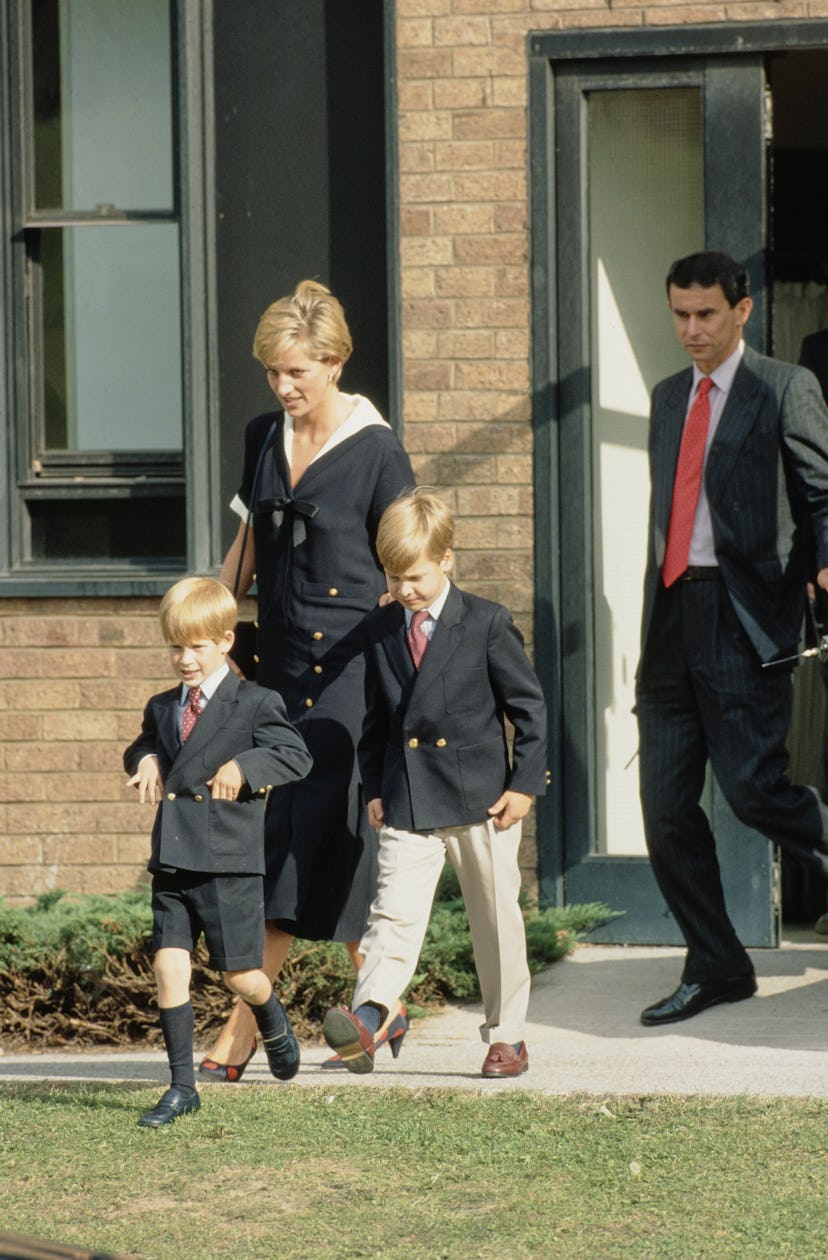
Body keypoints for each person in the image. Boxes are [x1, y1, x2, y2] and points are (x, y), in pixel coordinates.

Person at [199, 280, 414, 1079]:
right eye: (272, 374)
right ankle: (382, 1010)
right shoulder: (264, 435)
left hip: (351, 672)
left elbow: (404, 561)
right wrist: (213, 632)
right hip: (278, 669)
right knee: (328, 841)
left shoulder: (378, 448)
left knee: (296, 834)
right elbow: (248, 546)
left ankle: (246, 1028)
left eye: (297, 373)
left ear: (335, 362)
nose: (284, 388)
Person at [636, 250, 828, 1028]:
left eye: (706, 314)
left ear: (740, 311)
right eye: (680, 314)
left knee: (753, 791)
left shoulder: (786, 388)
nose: (692, 330)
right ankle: (717, 962)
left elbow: (823, 491)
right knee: (664, 807)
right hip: (674, 612)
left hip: (746, 613)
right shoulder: (664, 397)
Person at [321, 489, 549, 1078]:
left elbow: (529, 710)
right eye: (394, 578)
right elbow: (374, 719)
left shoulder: (487, 622)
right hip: (406, 797)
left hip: (483, 802)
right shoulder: (380, 627)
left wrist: (524, 784)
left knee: (495, 921)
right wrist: (374, 786)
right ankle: (370, 1016)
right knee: (391, 914)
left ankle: (508, 1037)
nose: (405, 590)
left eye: (415, 576)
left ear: (446, 558)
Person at [123, 577, 313, 1126]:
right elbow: (145, 744)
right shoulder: (162, 707)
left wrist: (244, 767)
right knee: (168, 967)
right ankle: (182, 1087)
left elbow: (295, 756)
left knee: (241, 976)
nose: (184, 658)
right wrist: (146, 762)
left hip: (229, 862)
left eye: (196, 647)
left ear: (226, 641)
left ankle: (271, 1017)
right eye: (175, 646)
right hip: (174, 859)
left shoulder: (254, 703)